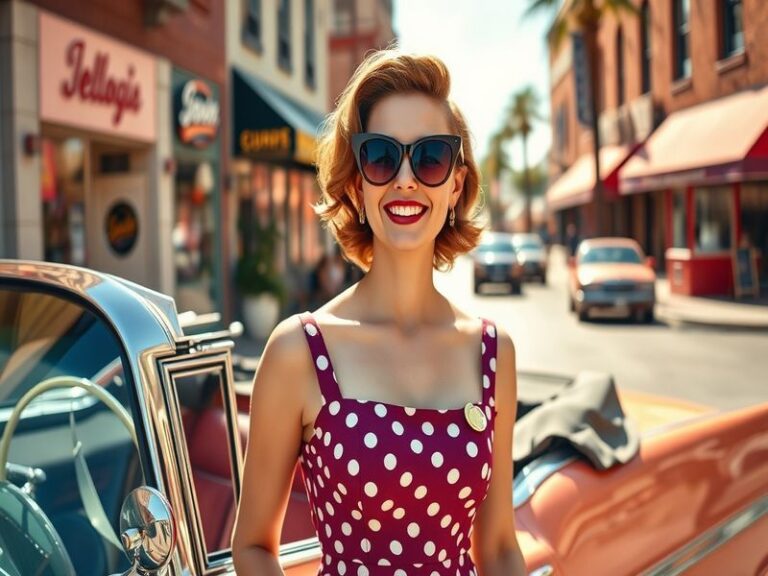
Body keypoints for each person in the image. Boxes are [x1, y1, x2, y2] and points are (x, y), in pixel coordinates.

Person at [232, 49, 526, 576]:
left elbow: (501, 547)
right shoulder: (298, 350)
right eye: (382, 157)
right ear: (356, 186)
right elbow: (252, 547)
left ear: (455, 185)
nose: (406, 180)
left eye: (431, 156)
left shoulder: (494, 353)